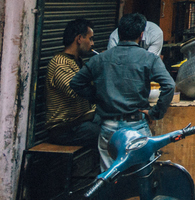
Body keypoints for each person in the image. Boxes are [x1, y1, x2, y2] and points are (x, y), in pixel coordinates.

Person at [72, 13, 175, 169]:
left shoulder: (99, 59)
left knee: (109, 178)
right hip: (137, 126)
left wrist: (98, 96)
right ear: (141, 35)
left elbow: (76, 83)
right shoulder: (149, 58)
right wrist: (155, 113)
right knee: (144, 175)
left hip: (108, 127)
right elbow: (169, 85)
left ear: (118, 33)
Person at [45, 18, 99, 148]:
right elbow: (75, 90)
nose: (92, 43)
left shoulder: (78, 61)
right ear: (79, 38)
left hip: (80, 121)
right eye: (90, 39)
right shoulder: (60, 63)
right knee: (105, 133)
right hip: (64, 128)